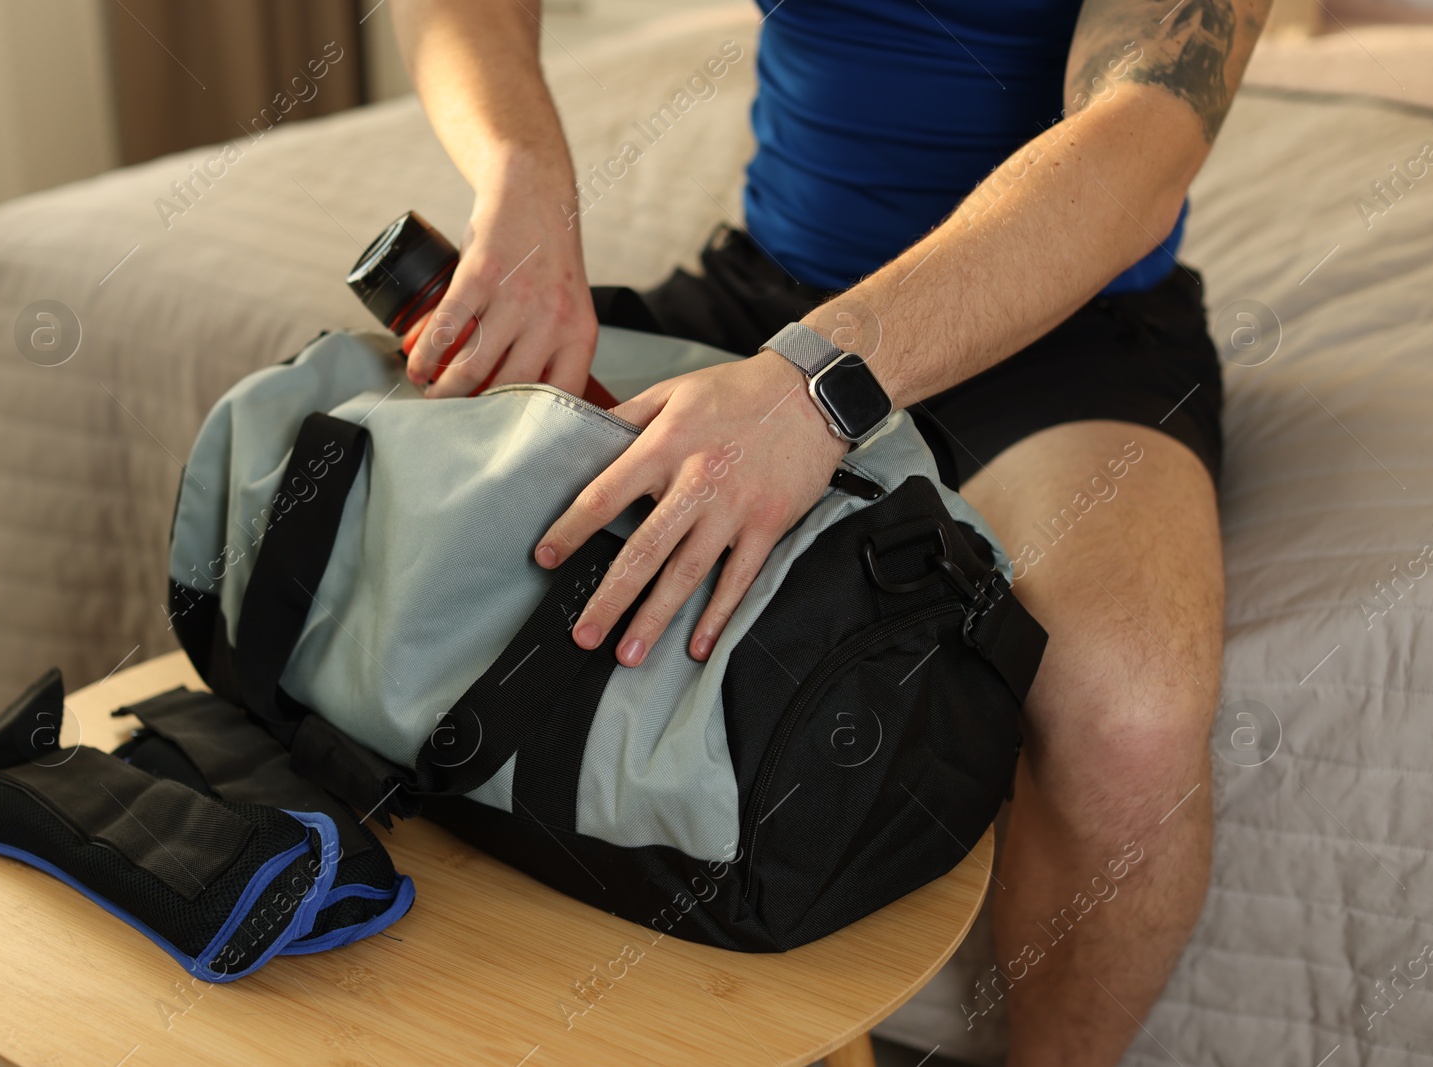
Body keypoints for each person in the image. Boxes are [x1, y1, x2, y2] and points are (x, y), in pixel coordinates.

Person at [391, 0, 1268, 1061]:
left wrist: (816, 389)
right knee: (426, 527)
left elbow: (1143, 138)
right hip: (773, 301)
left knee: (1127, 715)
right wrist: (520, 172)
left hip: (1064, 331)